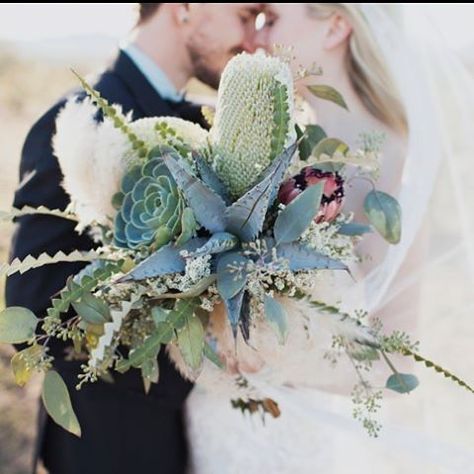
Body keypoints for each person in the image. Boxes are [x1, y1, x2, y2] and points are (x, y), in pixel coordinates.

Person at [182, 4, 474, 473]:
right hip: (210, 422)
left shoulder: (399, 172)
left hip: (293, 445)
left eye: (272, 19)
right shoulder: (264, 145)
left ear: (336, 26)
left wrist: (272, 360)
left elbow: (395, 367)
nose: (255, 36)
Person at [5, 4, 261, 474]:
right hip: (108, 445)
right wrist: (164, 303)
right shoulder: (75, 123)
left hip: (190, 439)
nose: (251, 38)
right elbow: (31, 304)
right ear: (186, 10)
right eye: (246, 14)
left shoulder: (209, 130)